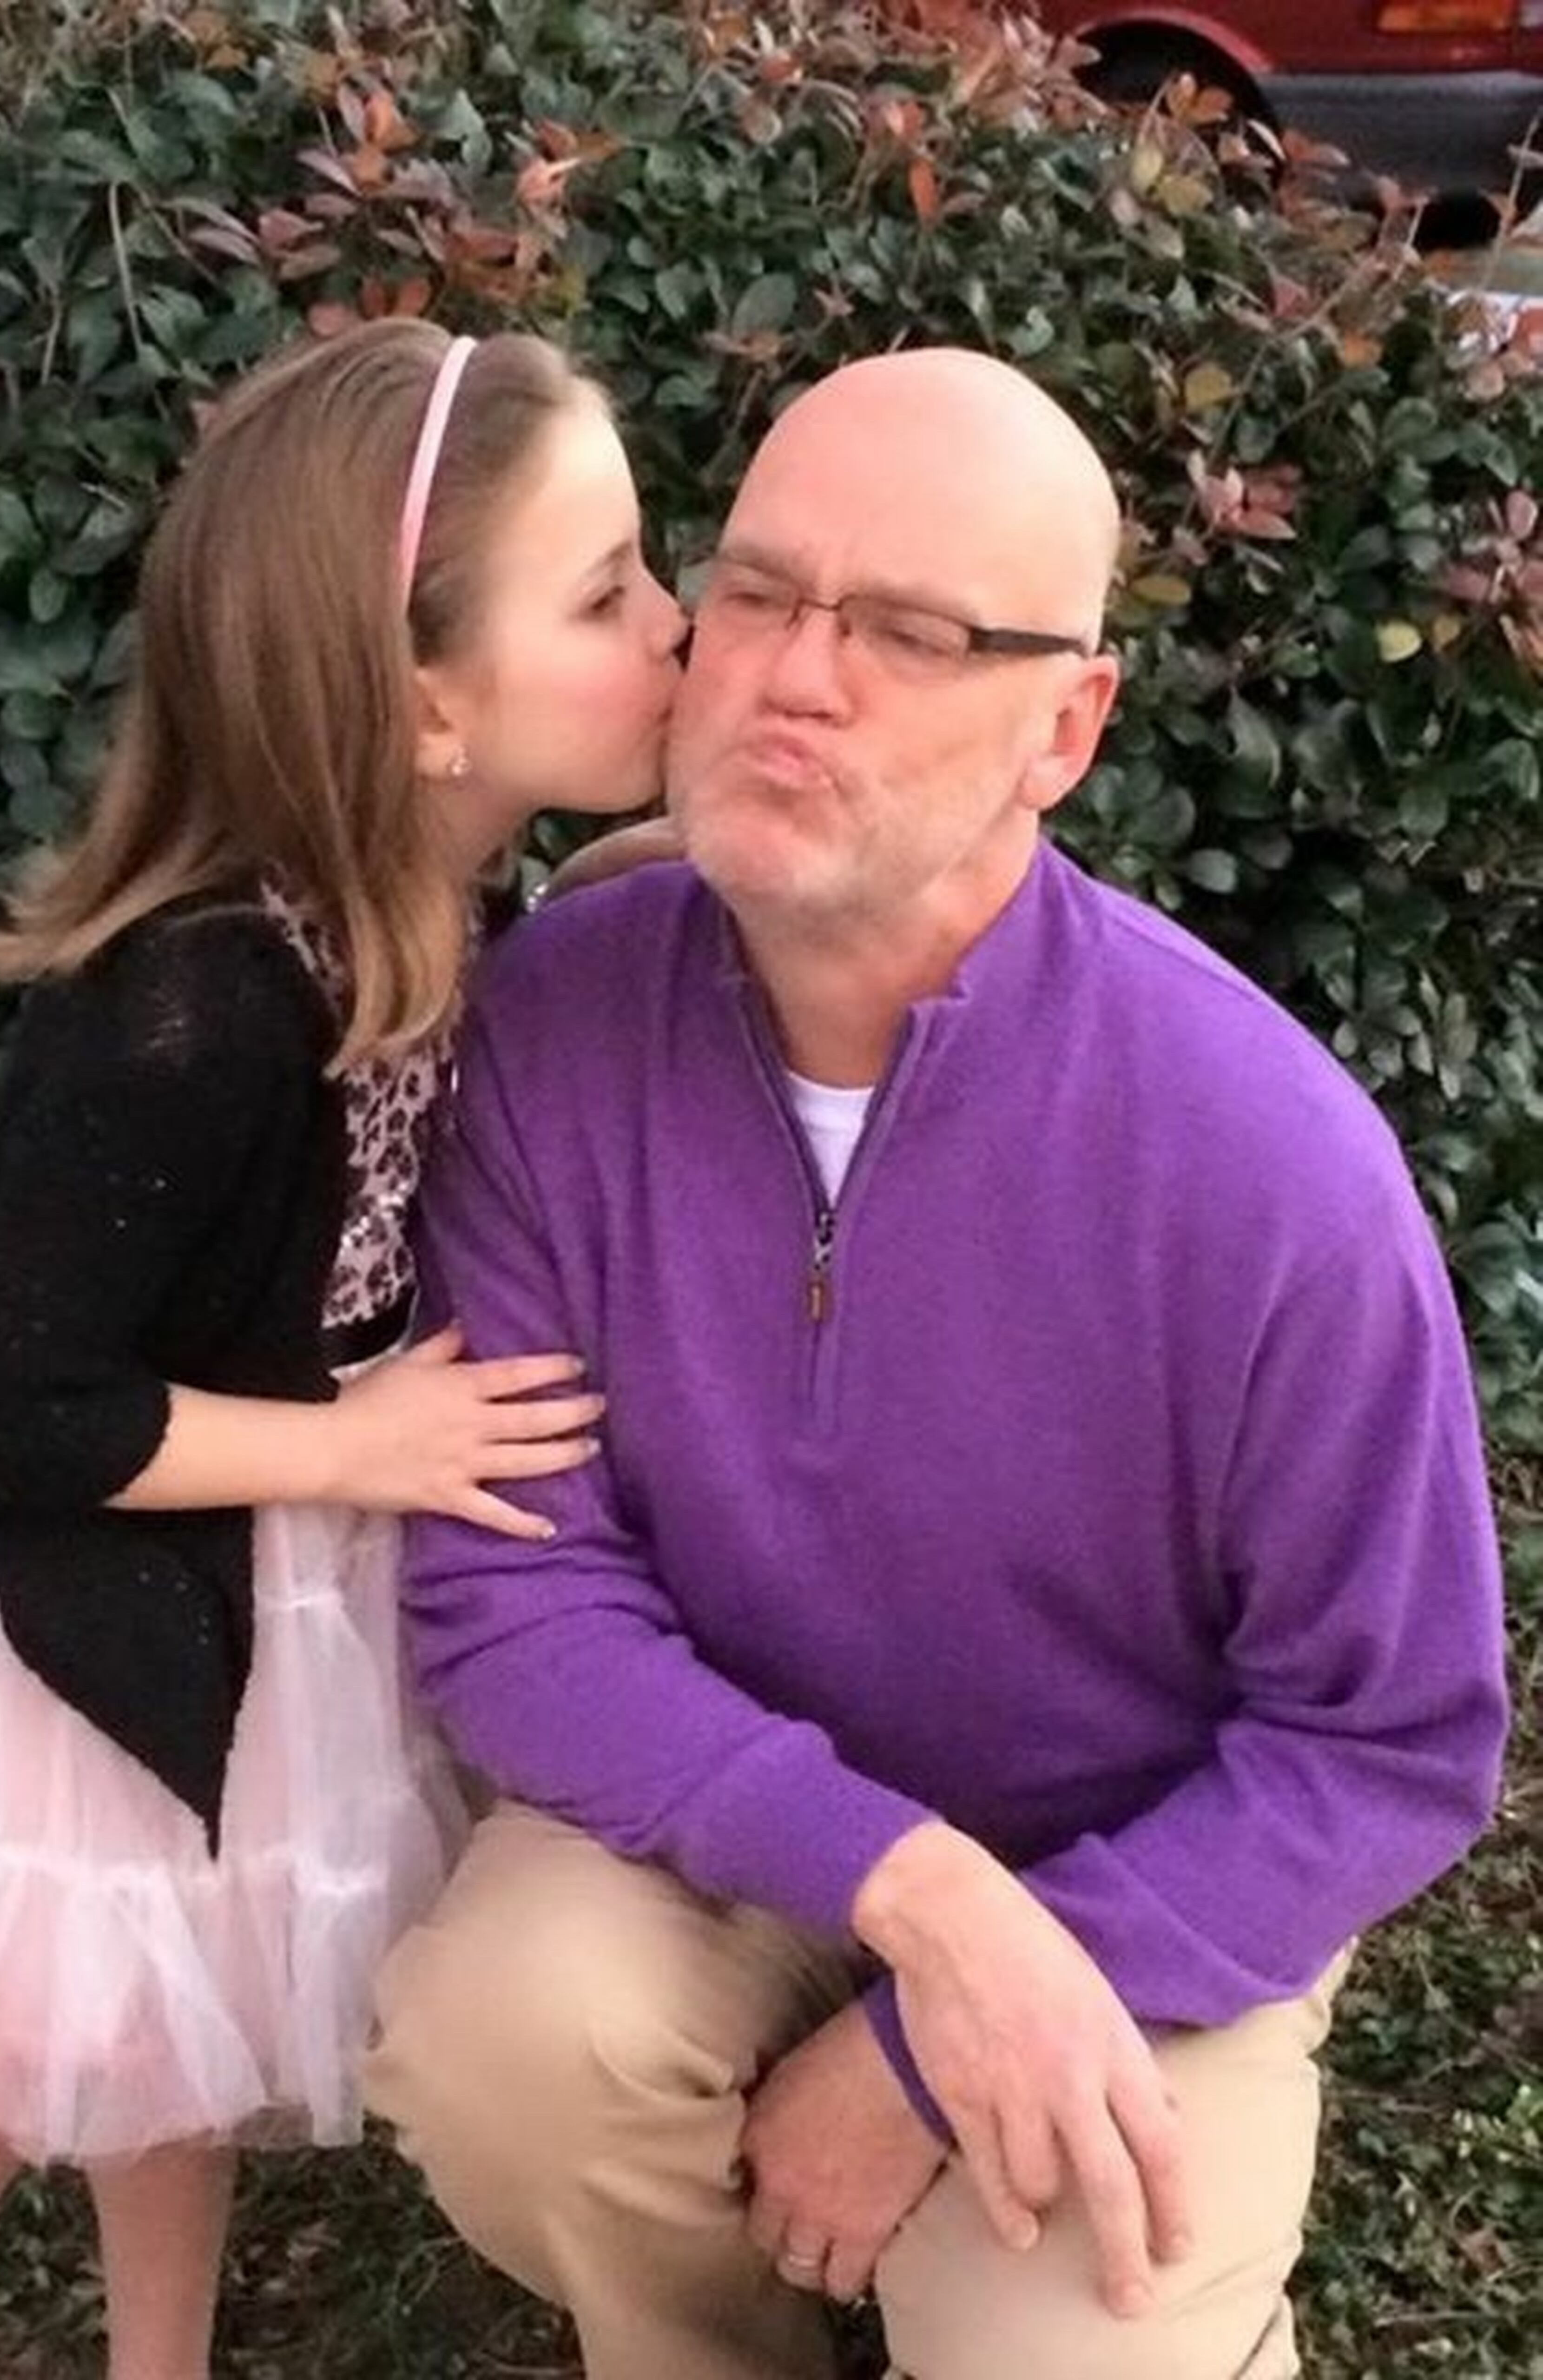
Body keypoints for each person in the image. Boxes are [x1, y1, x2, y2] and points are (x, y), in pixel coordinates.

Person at [364, 346, 1509, 2380]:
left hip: (1127, 1877)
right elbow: (513, 1582)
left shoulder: (1268, 1164)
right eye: (768, 594)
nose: (800, 676)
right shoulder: (553, 1028)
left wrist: (952, 2008)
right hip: (708, 1833)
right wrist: (905, 1894)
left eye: (909, 632)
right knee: (506, 2042)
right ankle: (724, 2340)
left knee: (1067, 2344)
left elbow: (1383, 1736)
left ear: (1065, 723)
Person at [0, 317, 685, 2380]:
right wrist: (355, 1452)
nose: (681, 629)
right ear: (425, 698)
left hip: (251, 1532)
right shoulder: (193, 1001)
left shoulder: (441, 895)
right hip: (68, 1582)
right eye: (612, 590)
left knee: (177, 2027)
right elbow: (5, 1395)